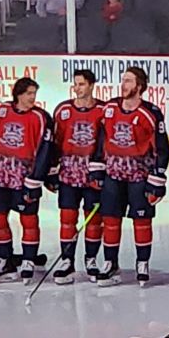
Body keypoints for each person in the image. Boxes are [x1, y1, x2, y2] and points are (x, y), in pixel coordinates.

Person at [97, 66, 169, 286]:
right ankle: (111, 263)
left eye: (128, 81)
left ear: (139, 86)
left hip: (140, 175)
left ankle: (142, 262)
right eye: (123, 80)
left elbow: (163, 147)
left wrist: (157, 179)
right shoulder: (109, 108)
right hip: (113, 173)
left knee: (141, 220)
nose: (123, 84)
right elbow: (100, 138)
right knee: (110, 219)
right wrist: (97, 167)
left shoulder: (151, 113)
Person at [0, 77, 54, 283]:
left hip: (25, 175)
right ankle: (4, 258)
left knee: (28, 219)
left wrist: (36, 179)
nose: (32, 97)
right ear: (18, 94)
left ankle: (29, 259)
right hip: (1, 174)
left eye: (34, 93)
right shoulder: (4, 110)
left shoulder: (41, 117)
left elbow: (45, 149)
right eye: (29, 93)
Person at [50, 68, 107, 283]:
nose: (77, 88)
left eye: (82, 84)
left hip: (93, 174)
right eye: (75, 84)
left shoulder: (104, 110)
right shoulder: (63, 110)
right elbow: (55, 142)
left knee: (93, 221)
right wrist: (52, 173)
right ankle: (67, 260)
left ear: (91, 85)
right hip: (68, 173)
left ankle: (91, 259)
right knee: (67, 219)